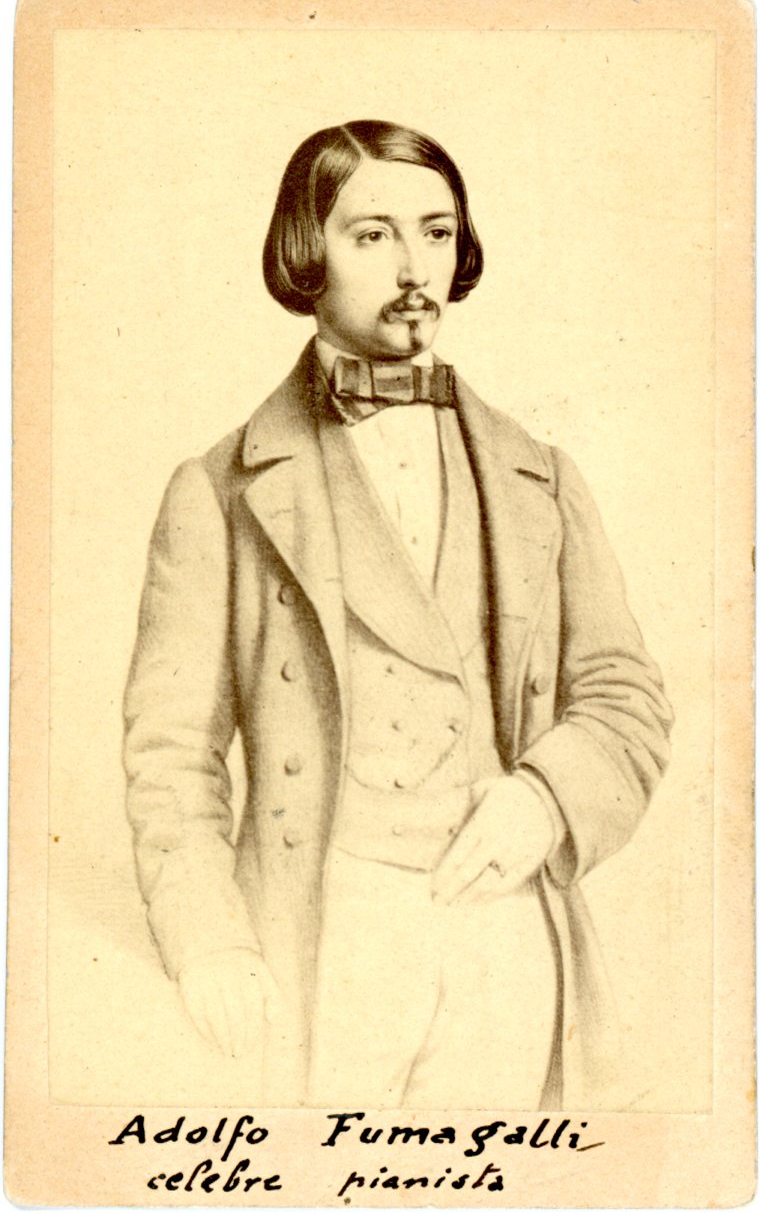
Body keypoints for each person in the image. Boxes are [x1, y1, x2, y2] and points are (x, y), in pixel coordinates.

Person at [123, 119, 673, 1109]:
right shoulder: (217, 490)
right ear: (308, 251)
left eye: (435, 231)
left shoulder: (540, 477)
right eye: (372, 235)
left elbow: (624, 695)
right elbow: (171, 755)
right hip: (329, 936)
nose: (414, 267)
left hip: (507, 930)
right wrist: (207, 938)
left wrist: (546, 800)